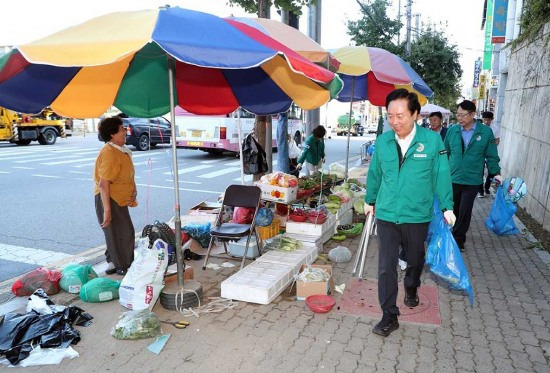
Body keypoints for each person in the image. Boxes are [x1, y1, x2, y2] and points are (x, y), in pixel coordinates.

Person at [365, 89, 455, 337]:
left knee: (415, 260)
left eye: (401, 115)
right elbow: (375, 174)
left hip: (417, 215)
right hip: (386, 214)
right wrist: (370, 199)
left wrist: (447, 206)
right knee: (385, 266)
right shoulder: (383, 141)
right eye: (390, 115)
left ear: (415, 114)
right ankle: (389, 315)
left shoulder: (432, 141)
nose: (395, 121)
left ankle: (412, 286)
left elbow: (441, 174)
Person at [444, 101, 502, 251]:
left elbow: (492, 155)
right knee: (453, 209)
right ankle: (451, 234)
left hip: (472, 179)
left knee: (465, 210)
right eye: (458, 115)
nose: (460, 118)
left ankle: (458, 240)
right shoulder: (453, 131)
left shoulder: (485, 132)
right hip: (453, 178)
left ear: (472, 115)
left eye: (463, 115)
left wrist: (496, 173)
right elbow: (444, 153)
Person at [94, 116, 138, 275]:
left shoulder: (120, 150)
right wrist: (107, 211)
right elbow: (103, 184)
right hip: (108, 198)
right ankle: (124, 265)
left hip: (117, 198)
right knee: (124, 232)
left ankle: (113, 262)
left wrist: (133, 191)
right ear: (112, 134)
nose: (125, 131)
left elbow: (125, 175)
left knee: (116, 232)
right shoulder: (110, 152)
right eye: (121, 129)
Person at [478, 111, 500, 197]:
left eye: (488, 120)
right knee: (480, 171)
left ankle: (487, 187)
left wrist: (492, 147)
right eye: (485, 120)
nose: (487, 122)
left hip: (490, 154)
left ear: (492, 120)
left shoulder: (495, 128)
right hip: (480, 154)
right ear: (483, 119)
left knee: (492, 172)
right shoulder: (479, 128)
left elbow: (497, 140)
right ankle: (480, 191)